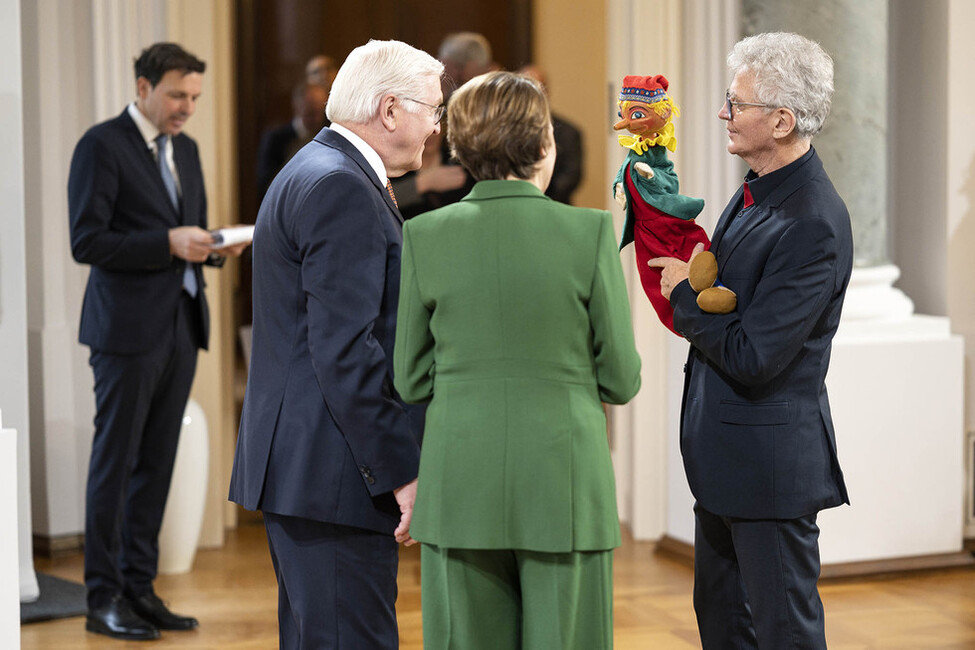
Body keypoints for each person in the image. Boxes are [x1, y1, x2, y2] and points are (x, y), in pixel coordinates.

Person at [394, 71, 642, 650]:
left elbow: (409, 379)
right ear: (542, 144)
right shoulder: (589, 232)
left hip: (460, 481)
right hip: (565, 480)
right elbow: (622, 377)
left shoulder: (424, 235)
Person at [228, 39, 443, 649]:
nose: (436, 125)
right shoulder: (340, 186)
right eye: (433, 108)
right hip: (334, 473)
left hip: (310, 468)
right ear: (391, 109)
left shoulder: (314, 167)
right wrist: (401, 472)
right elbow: (346, 351)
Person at [648, 32, 852, 649]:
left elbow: (754, 355)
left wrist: (684, 293)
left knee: (784, 635)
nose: (722, 114)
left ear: (783, 120)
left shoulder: (813, 221)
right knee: (724, 628)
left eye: (736, 104)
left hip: (768, 474)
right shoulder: (753, 188)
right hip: (726, 466)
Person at [68, 42, 247, 641]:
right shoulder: (102, 145)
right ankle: (102, 598)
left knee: (156, 466)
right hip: (124, 332)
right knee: (115, 466)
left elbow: (183, 235)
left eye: (194, 97)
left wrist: (213, 248)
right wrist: (168, 243)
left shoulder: (187, 150)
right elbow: (87, 242)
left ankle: (139, 590)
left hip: (181, 326)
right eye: (176, 95)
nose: (186, 108)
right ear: (143, 87)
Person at [389, 31, 493, 218]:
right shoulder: (396, 162)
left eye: (436, 120)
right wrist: (422, 183)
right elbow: (376, 203)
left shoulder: (459, 161)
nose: (431, 130)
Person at [518, 63, 584, 204]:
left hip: (556, 204)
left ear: (546, 91)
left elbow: (571, 176)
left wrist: (539, 195)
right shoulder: (505, 131)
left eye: (537, 87)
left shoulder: (569, 132)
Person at [256, 82, 329, 198]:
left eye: (321, 112)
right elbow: (266, 184)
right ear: (298, 107)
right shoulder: (275, 139)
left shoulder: (328, 138)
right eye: (311, 112)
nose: (317, 118)